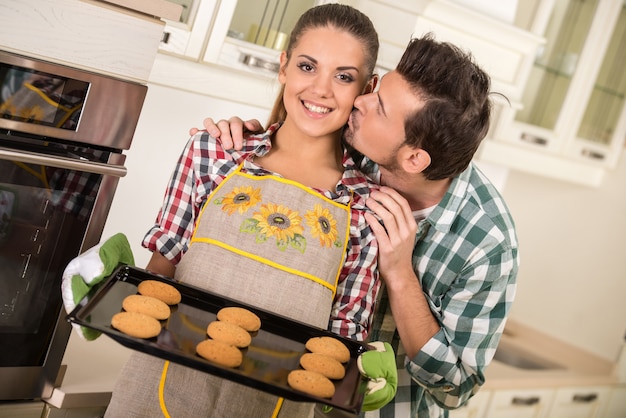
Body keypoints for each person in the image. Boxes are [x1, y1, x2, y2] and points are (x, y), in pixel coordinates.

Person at [62, 4, 398, 418]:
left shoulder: (366, 208)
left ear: (368, 88)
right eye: (308, 67)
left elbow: (342, 340)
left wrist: (364, 372)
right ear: (283, 67)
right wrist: (107, 290)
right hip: (153, 395)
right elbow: (158, 279)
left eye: (344, 76)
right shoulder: (214, 152)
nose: (322, 90)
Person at [200, 34, 520, 418]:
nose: (361, 100)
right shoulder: (352, 147)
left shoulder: (486, 242)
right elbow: (279, 153)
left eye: (380, 108)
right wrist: (244, 136)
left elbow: (455, 389)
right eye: (377, 89)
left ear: (415, 158)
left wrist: (400, 275)